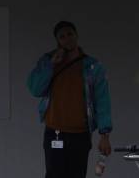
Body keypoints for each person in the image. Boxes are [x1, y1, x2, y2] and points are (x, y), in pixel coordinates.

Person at [27, 21, 112, 178]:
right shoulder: (48, 61)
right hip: (55, 131)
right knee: (53, 174)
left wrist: (104, 135)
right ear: (57, 41)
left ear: (76, 35)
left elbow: (102, 100)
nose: (67, 39)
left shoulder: (92, 66)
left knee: (77, 174)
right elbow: (35, 89)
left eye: (70, 34)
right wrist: (51, 65)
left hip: (80, 133)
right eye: (62, 36)